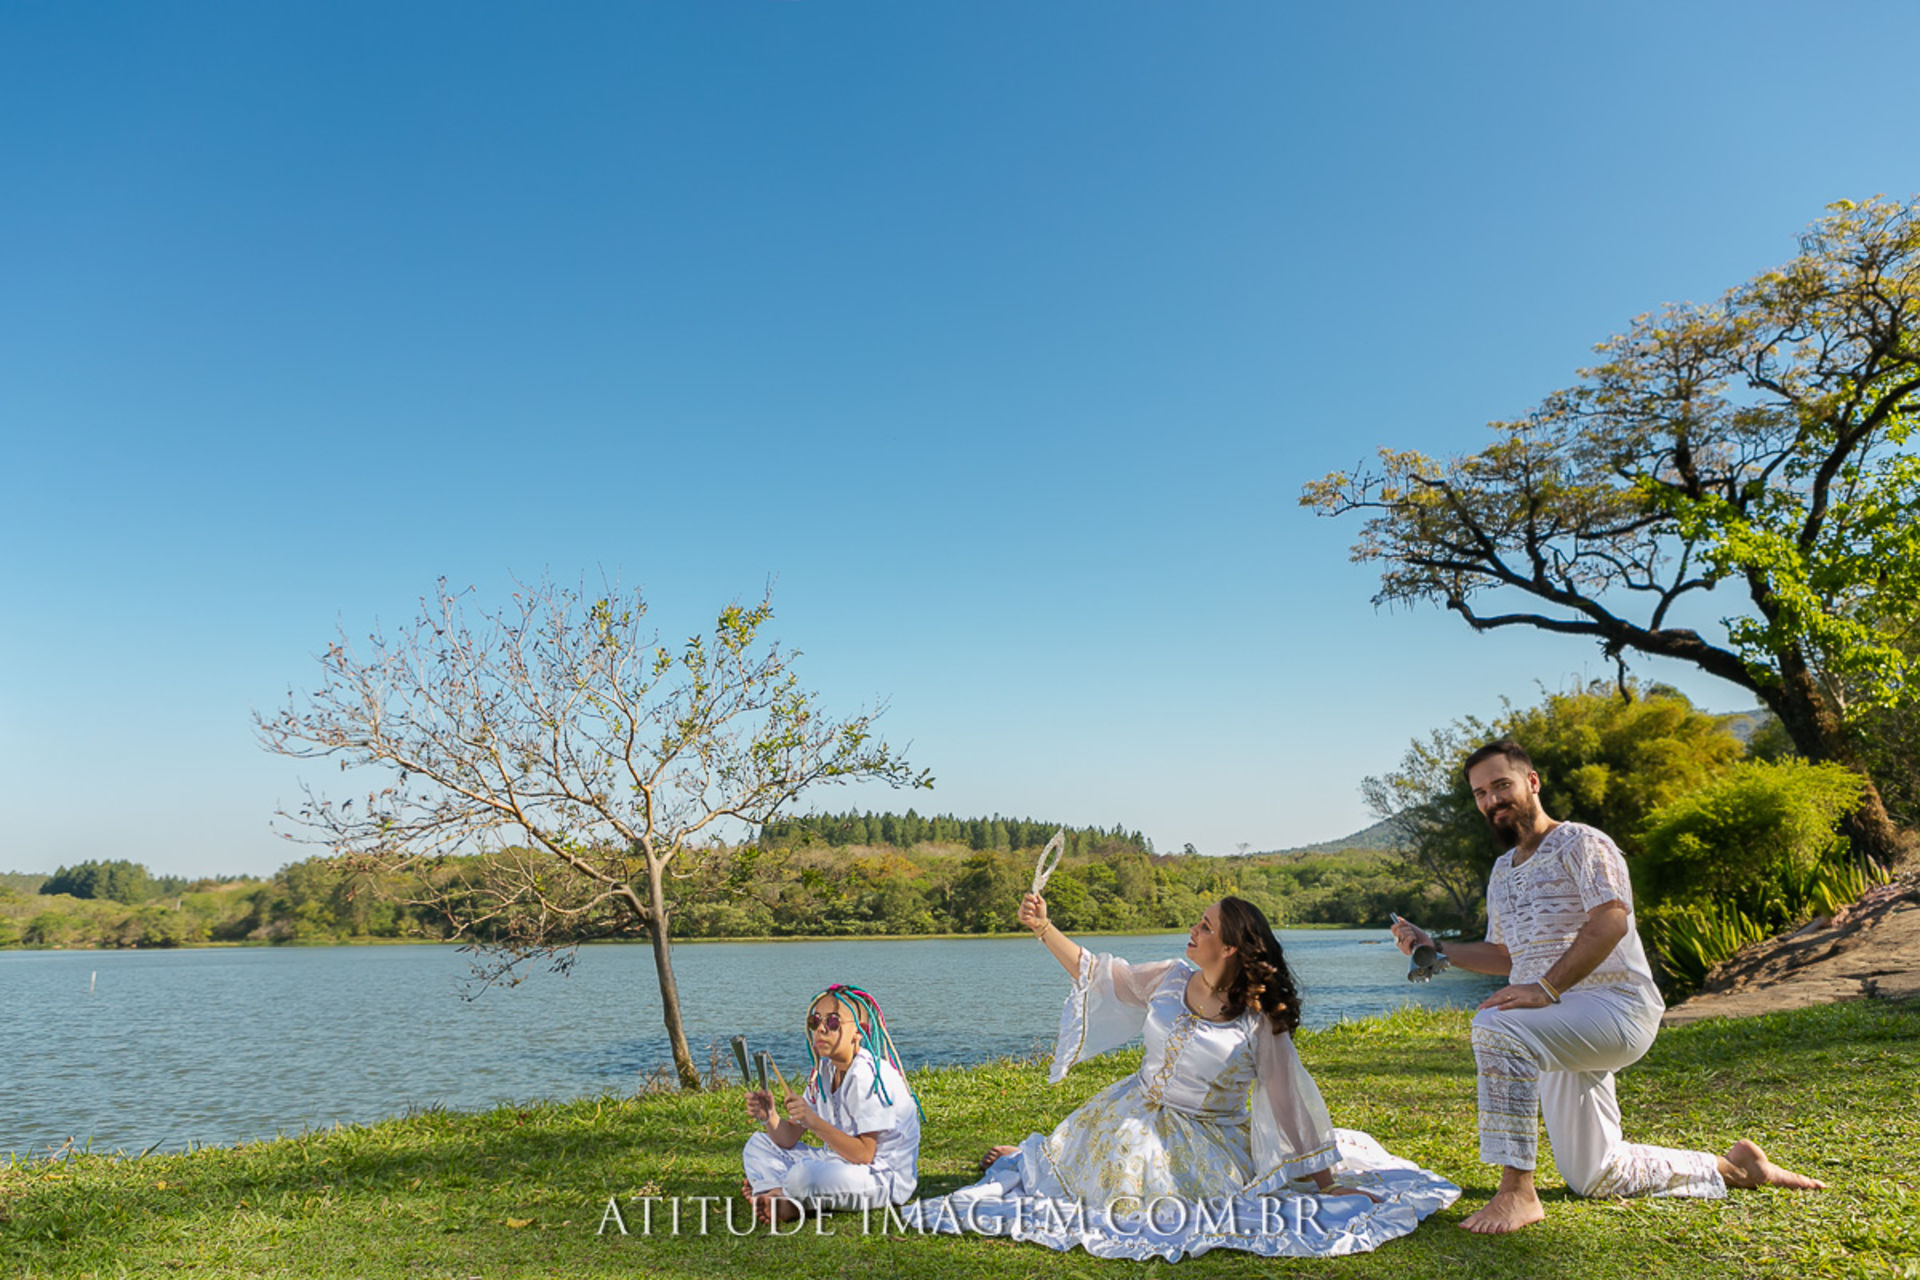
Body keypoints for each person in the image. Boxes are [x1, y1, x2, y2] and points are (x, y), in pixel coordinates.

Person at [1391, 739, 1826, 1235]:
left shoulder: (1582, 842)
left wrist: (1545, 989)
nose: (1492, 800)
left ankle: (1517, 1192)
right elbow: (1506, 956)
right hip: (1559, 1020)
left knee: (1496, 1025)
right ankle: (1738, 1168)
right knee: (1594, 1174)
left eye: (1501, 785)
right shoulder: (1501, 871)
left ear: (1532, 782)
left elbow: (1611, 921)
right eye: (1480, 793)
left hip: (1615, 1008)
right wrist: (1436, 947)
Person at [900, 895, 1460, 1260]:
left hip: (1207, 1136)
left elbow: (1287, 1100)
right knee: (1088, 1156)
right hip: (1131, 1106)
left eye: (1205, 926)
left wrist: (1326, 1182)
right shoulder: (1170, 976)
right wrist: (1044, 927)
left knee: (1134, 1194)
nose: (1193, 930)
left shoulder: (1259, 1019)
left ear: (1230, 947)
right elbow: (1098, 974)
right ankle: (1033, 1159)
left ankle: (1034, 1162)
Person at [740, 983, 922, 1223]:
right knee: (758, 1144)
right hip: (839, 1162)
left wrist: (813, 1121)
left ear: (860, 1031)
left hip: (881, 1177)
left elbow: (865, 1155)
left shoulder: (867, 1076)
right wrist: (769, 1116)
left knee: (802, 1176)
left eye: (833, 1022)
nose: (821, 1029)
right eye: (815, 1021)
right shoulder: (824, 1071)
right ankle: (778, 1195)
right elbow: (788, 1138)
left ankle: (777, 1193)